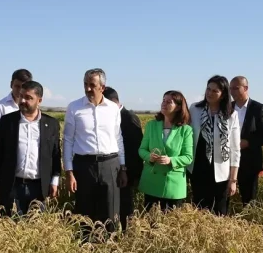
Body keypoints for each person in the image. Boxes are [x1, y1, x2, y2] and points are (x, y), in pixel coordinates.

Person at [63, 68, 127, 233]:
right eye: (85, 84)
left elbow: (118, 138)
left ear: (102, 87)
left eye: (92, 85)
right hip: (84, 166)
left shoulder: (113, 108)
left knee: (110, 211)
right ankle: (86, 252)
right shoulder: (74, 107)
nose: (88, 89)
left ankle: (109, 249)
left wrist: (123, 167)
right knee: (85, 212)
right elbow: (68, 140)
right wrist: (69, 172)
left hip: (110, 165)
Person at [0, 81, 62, 216]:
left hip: (39, 187)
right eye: (21, 96)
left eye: (28, 98)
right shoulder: (8, 121)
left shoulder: (51, 124)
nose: (23, 100)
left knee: (36, 229)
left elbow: (55, 154)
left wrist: (55, 180)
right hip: (12, 184)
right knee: (8, 227)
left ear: (39, 100)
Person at [188, 75, 241, 215]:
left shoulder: (231, 115)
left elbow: (235, 149)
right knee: (199, 210)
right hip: (198, 168)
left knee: (219, 211)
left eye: (215, 91)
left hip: (221, 173)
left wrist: (233, 179)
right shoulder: (195, 109)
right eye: (208, 89)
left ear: (223, 94)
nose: (210, 93)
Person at [138, 91, 193, 211]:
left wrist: (170, 160)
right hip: (152, 182)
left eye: (169, 102)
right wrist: (149, 157)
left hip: (173, 185)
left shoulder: (185, 130)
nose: (164, 103)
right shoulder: (151, 125)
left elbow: (188, 157)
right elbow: (142, 150)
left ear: (178, 107)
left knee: (170, 226)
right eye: (163, 100)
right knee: (150, 223)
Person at [102, 87, 143, 231]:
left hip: (127, 171)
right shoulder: (110, 116)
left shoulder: (129, 117)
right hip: (114, 169)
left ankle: (126, 234)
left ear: (114, 102)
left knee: (125, 206)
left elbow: (135, 148)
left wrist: (128, 172)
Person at [229, 76, 263, 205]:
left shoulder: (258, 108)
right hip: (228, 159)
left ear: (246, 88)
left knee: (249, 199)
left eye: (236, 88)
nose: (232, 92)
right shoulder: (227, 108)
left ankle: (248, 220)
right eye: (230, 89)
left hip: (250, 161)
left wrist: (247, 142)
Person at [0, 69, 33, 158]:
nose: (20, 90)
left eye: (23, 87)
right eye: (17, 86)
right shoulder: (0, 107)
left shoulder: (33, 107)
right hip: (7, 158)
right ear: (11, 84)